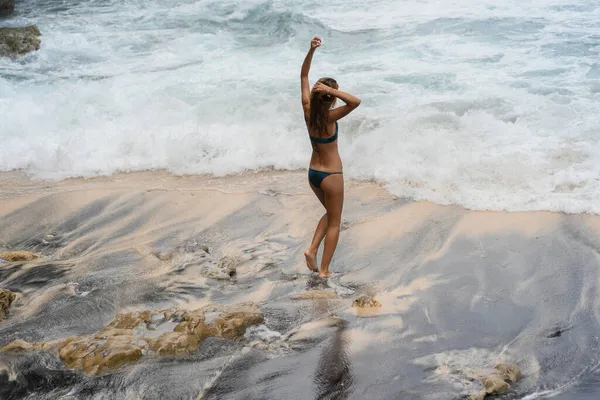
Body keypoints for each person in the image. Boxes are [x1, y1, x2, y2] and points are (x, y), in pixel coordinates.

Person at [301, 36, 361, 278]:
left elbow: (303, 76)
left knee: (330, 214)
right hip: (332, 175)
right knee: (335, 222)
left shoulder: (307, 110)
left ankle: (312, 249)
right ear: (330, 98)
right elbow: (356, 101)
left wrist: (310, 50)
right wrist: (331, 89)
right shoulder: (331, 117)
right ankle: (324, 270)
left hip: (313, 173)